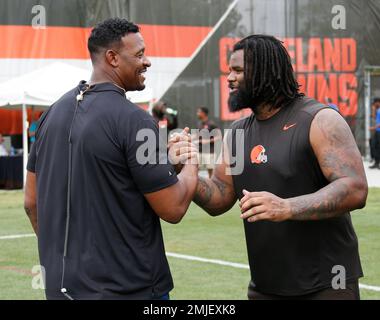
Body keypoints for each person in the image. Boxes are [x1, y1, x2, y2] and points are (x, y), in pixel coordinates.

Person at [175, 35, 368, 300]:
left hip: (326, 285)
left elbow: (355, 189)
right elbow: (219, 197)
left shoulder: (320, 120)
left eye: (237, 70)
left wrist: (287, 207)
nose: (229, 78)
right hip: (265, 287)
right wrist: (184, 167)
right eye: (228, 70)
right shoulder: (238, 132)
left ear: (265, 71)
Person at [24, 18, 198, 300]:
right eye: (140, 54)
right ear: (112, 58)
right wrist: (191, 161)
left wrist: (166, 164)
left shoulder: (50, 115)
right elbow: (174, 208)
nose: (148, 62)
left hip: (62, 289)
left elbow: (32, 202)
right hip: (129, 290)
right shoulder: (135, 120)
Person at [194, 107, 221, 178]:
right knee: (196, 169)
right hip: (199, 151)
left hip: (209, 152)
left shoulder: (211, 124)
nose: (197, 114)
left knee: (210, 171)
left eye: (199, 112)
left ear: (203, 113)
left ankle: (211, 186)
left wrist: (207, 141)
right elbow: (197, 135)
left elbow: (219, 136)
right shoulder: (199, 124)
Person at [369, 98, 380, 169]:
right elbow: (375, 118)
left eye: (375, 103)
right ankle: (376, 162)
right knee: (374, 145)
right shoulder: (378, 110)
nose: (374, 105)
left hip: (379, 131)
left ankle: (377, 162)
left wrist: (373, 128)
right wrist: (373, 110)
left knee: (376, 146)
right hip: (377, 131)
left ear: (378, 102)